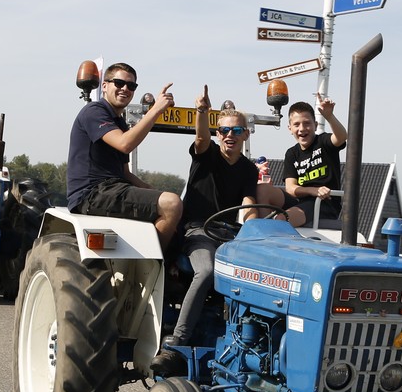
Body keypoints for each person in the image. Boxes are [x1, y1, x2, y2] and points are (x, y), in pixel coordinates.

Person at [152, 90, 266, 375]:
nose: (230, 135)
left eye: (236, 130)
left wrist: (254, 231)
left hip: (228, 234)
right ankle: (177, 341)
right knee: (207, 271)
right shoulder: (208, 154)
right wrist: (202, 113)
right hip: (197, 231)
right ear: (218, 134)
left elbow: (249, 203)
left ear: (246, 134)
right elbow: (201, 140)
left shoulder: (248, 169)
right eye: (224, 130)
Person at [66, 61, 182, 246]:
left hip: (114, 189)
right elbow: (124, 144)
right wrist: (155, 110)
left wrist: (154, 191)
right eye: (119, 83)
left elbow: (125, 173)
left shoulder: (119, 123)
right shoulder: (94, 112)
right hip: (91, 194)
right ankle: (153, 262)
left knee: (174, 206)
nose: (125, 89)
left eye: (131, 86)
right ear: (105, 86)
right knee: (171, 204)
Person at [282, 96, 348, 227]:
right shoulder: (291, 153)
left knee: (281, 219)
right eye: (296, 124)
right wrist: (312, 190)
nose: (302, 128)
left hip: (324, 203)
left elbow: (341, 137)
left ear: (315, 125)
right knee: (264, 192)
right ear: (290, 128)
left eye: (307, 123)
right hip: (300, 202)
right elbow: (290, 188)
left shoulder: (323, 142)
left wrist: (329, 116)